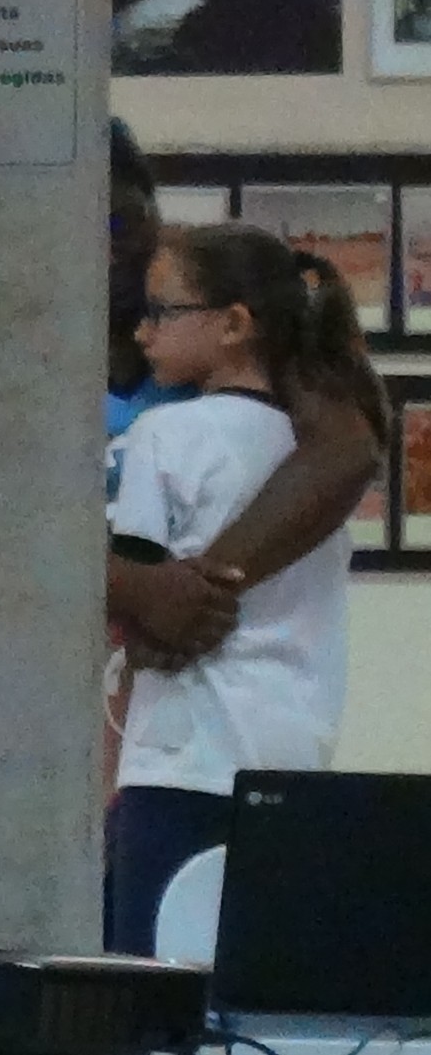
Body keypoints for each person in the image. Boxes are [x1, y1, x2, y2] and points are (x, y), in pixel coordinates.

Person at [107, 223, 369, 954]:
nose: (141, 329)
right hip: (288, 758)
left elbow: (132, 588)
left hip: (181, 759)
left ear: (232, 325)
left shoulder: (165, 435)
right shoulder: (311, 455)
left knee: (152, 1002)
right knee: (254, 1008)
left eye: (161, 311)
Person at [106, 130, 382, 682]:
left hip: (207, 670)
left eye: (117, 222)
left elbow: (346, 451)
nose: (107, 246)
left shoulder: (206, 294)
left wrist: (194, 597)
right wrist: (137, 589)